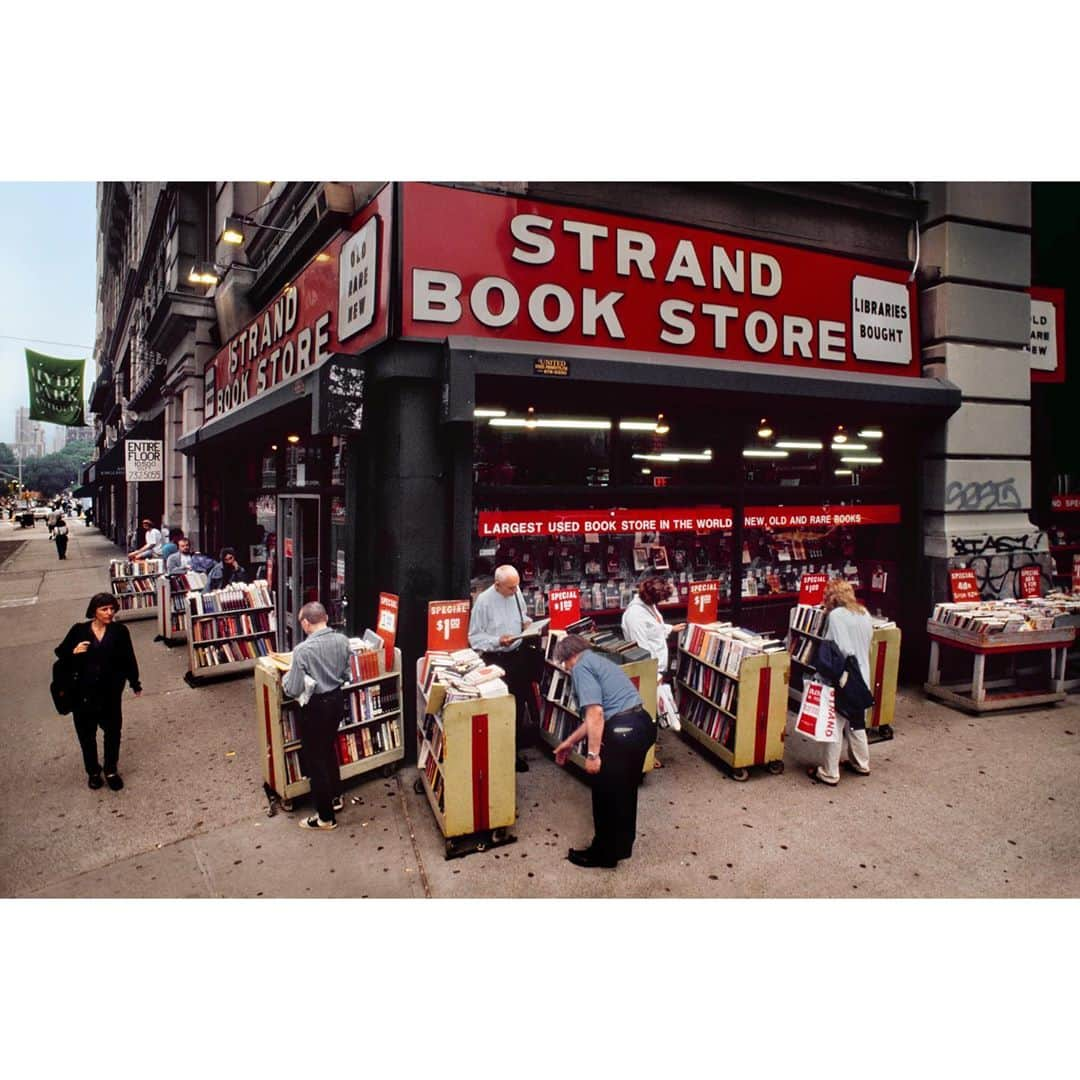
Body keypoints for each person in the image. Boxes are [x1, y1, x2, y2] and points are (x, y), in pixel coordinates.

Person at [552, 633, 657, 868]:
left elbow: (596, 714)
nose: (567, 669)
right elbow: (596, 716)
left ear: (569, 657)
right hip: (642, 725)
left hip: (621, 732)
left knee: (605, 794)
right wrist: (570, 742)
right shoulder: (600, 661)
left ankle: (602, 854)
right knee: (625, 793)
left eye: (565, 664)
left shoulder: (580, 668)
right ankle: (620, 847)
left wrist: (593, 755)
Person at [55, 592, 142, 791]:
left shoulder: (120, 631)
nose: (109, 613)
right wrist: (73, 652)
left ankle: (111, 769)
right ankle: (93, 772)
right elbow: (60, 654)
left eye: (112, 609)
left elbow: (129, 657)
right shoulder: (78, 631)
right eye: (104, 609)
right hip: (82, 694)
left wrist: (134, 682)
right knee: (87, 736)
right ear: (94, 611)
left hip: (110, 693)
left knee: (112, 732)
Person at [283, 601, 351, 831]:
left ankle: (325, 817)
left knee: (316, 759)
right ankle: (335, 797)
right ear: (325, 618)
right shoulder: (343, 640)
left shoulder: (302, 650)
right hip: (337, 701)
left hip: (316, 708)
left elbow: (292, 689)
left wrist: (284, 680)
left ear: (305, 622)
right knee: (329, 748)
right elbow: (346, 673)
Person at [468, 564, 540, 772]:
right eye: (510, 587)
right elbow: (475, 638)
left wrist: (527, 625)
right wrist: (498, 641)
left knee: (517, 706)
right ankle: (496, 754)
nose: (515, 591)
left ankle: (513, 752)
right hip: (496, 658)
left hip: (518, 656)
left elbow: (522, 616)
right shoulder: (483, 602)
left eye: (517, 586)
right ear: (497, 585)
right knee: (498, 707)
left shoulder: (516, 593)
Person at [807, 579, 873, 786]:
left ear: (832, 597)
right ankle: (861, 763)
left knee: (834, 724)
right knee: (856, 721)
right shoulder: (864, 612)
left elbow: (841, 649)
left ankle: (829, 772)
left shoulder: (835, 616)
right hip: (862, 674)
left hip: (844, 677)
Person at [621, 576, 685, 764]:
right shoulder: (635, 616)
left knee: (651, 712)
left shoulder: (648, 606)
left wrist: (670, 628)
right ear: (650, 598)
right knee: (644, 713)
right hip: (647, 669)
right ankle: (646, 757)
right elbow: (641, 647)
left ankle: (648, 747)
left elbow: (654, 627)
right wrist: (654, 674)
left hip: (657, 667)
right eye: (660, 600)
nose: (661, 603)